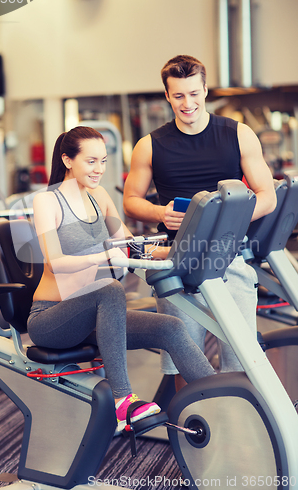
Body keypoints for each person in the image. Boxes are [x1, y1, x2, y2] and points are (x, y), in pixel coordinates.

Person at [27, 126, 216, 431]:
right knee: (110, 288)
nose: (99, 169)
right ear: (67, 160)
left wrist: (185, 249)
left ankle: (222, 400)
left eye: (103, 161)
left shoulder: (99, 196)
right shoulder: (47, 201)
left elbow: (129, 245)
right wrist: (103, 256)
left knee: (171, 327)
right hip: (52, 319)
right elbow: (55, 262)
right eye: (91, 161)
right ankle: (122, 402)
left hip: (96, 315)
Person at [123, 55, 277, 389]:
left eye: (194, 93)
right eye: (178, 96)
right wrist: (160, 212)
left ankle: (237, 424)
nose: (187, 103)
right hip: (178, 259)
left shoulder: (239, 134)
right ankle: (192, 430)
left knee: (241, 355)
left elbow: (267, 195)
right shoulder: (149, 145)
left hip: (228, 256)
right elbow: (131, 201)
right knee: (185, 358)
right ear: (167, 96)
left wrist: (225, 219)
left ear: (205, 89)